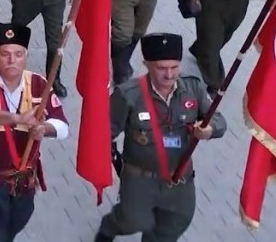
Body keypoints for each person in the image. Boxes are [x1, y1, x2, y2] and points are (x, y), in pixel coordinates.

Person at [95, 33, 225, 242]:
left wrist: (209, 130)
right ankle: (109, 228)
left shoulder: (193, 88)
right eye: (162, 68)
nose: (169, 75)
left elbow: (218, 119)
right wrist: (105, 161)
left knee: (176, 222)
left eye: (174, 67)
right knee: (132, 221)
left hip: (179, 180)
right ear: (146, 64)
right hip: (140, 178)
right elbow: (103, 133)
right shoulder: (129, 94)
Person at [0, 23, 69, 242]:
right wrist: (17, 119)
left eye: (18, 54)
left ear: (26, 56)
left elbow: (63, 126)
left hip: (22, 182)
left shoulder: (40, 84)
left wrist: (44, 129)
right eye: (5, 54)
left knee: (10, 228)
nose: (12, 60)